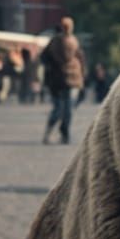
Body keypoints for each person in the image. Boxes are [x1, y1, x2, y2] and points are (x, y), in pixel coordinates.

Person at [40, 16, 85, 144]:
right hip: (62, 80)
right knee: (63, 109)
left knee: (64, 110)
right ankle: (57, 133)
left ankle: (62, 134)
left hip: (66, 80)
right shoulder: (70, 41)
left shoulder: (60, 41)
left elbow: (44, 58)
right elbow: (81, 59)